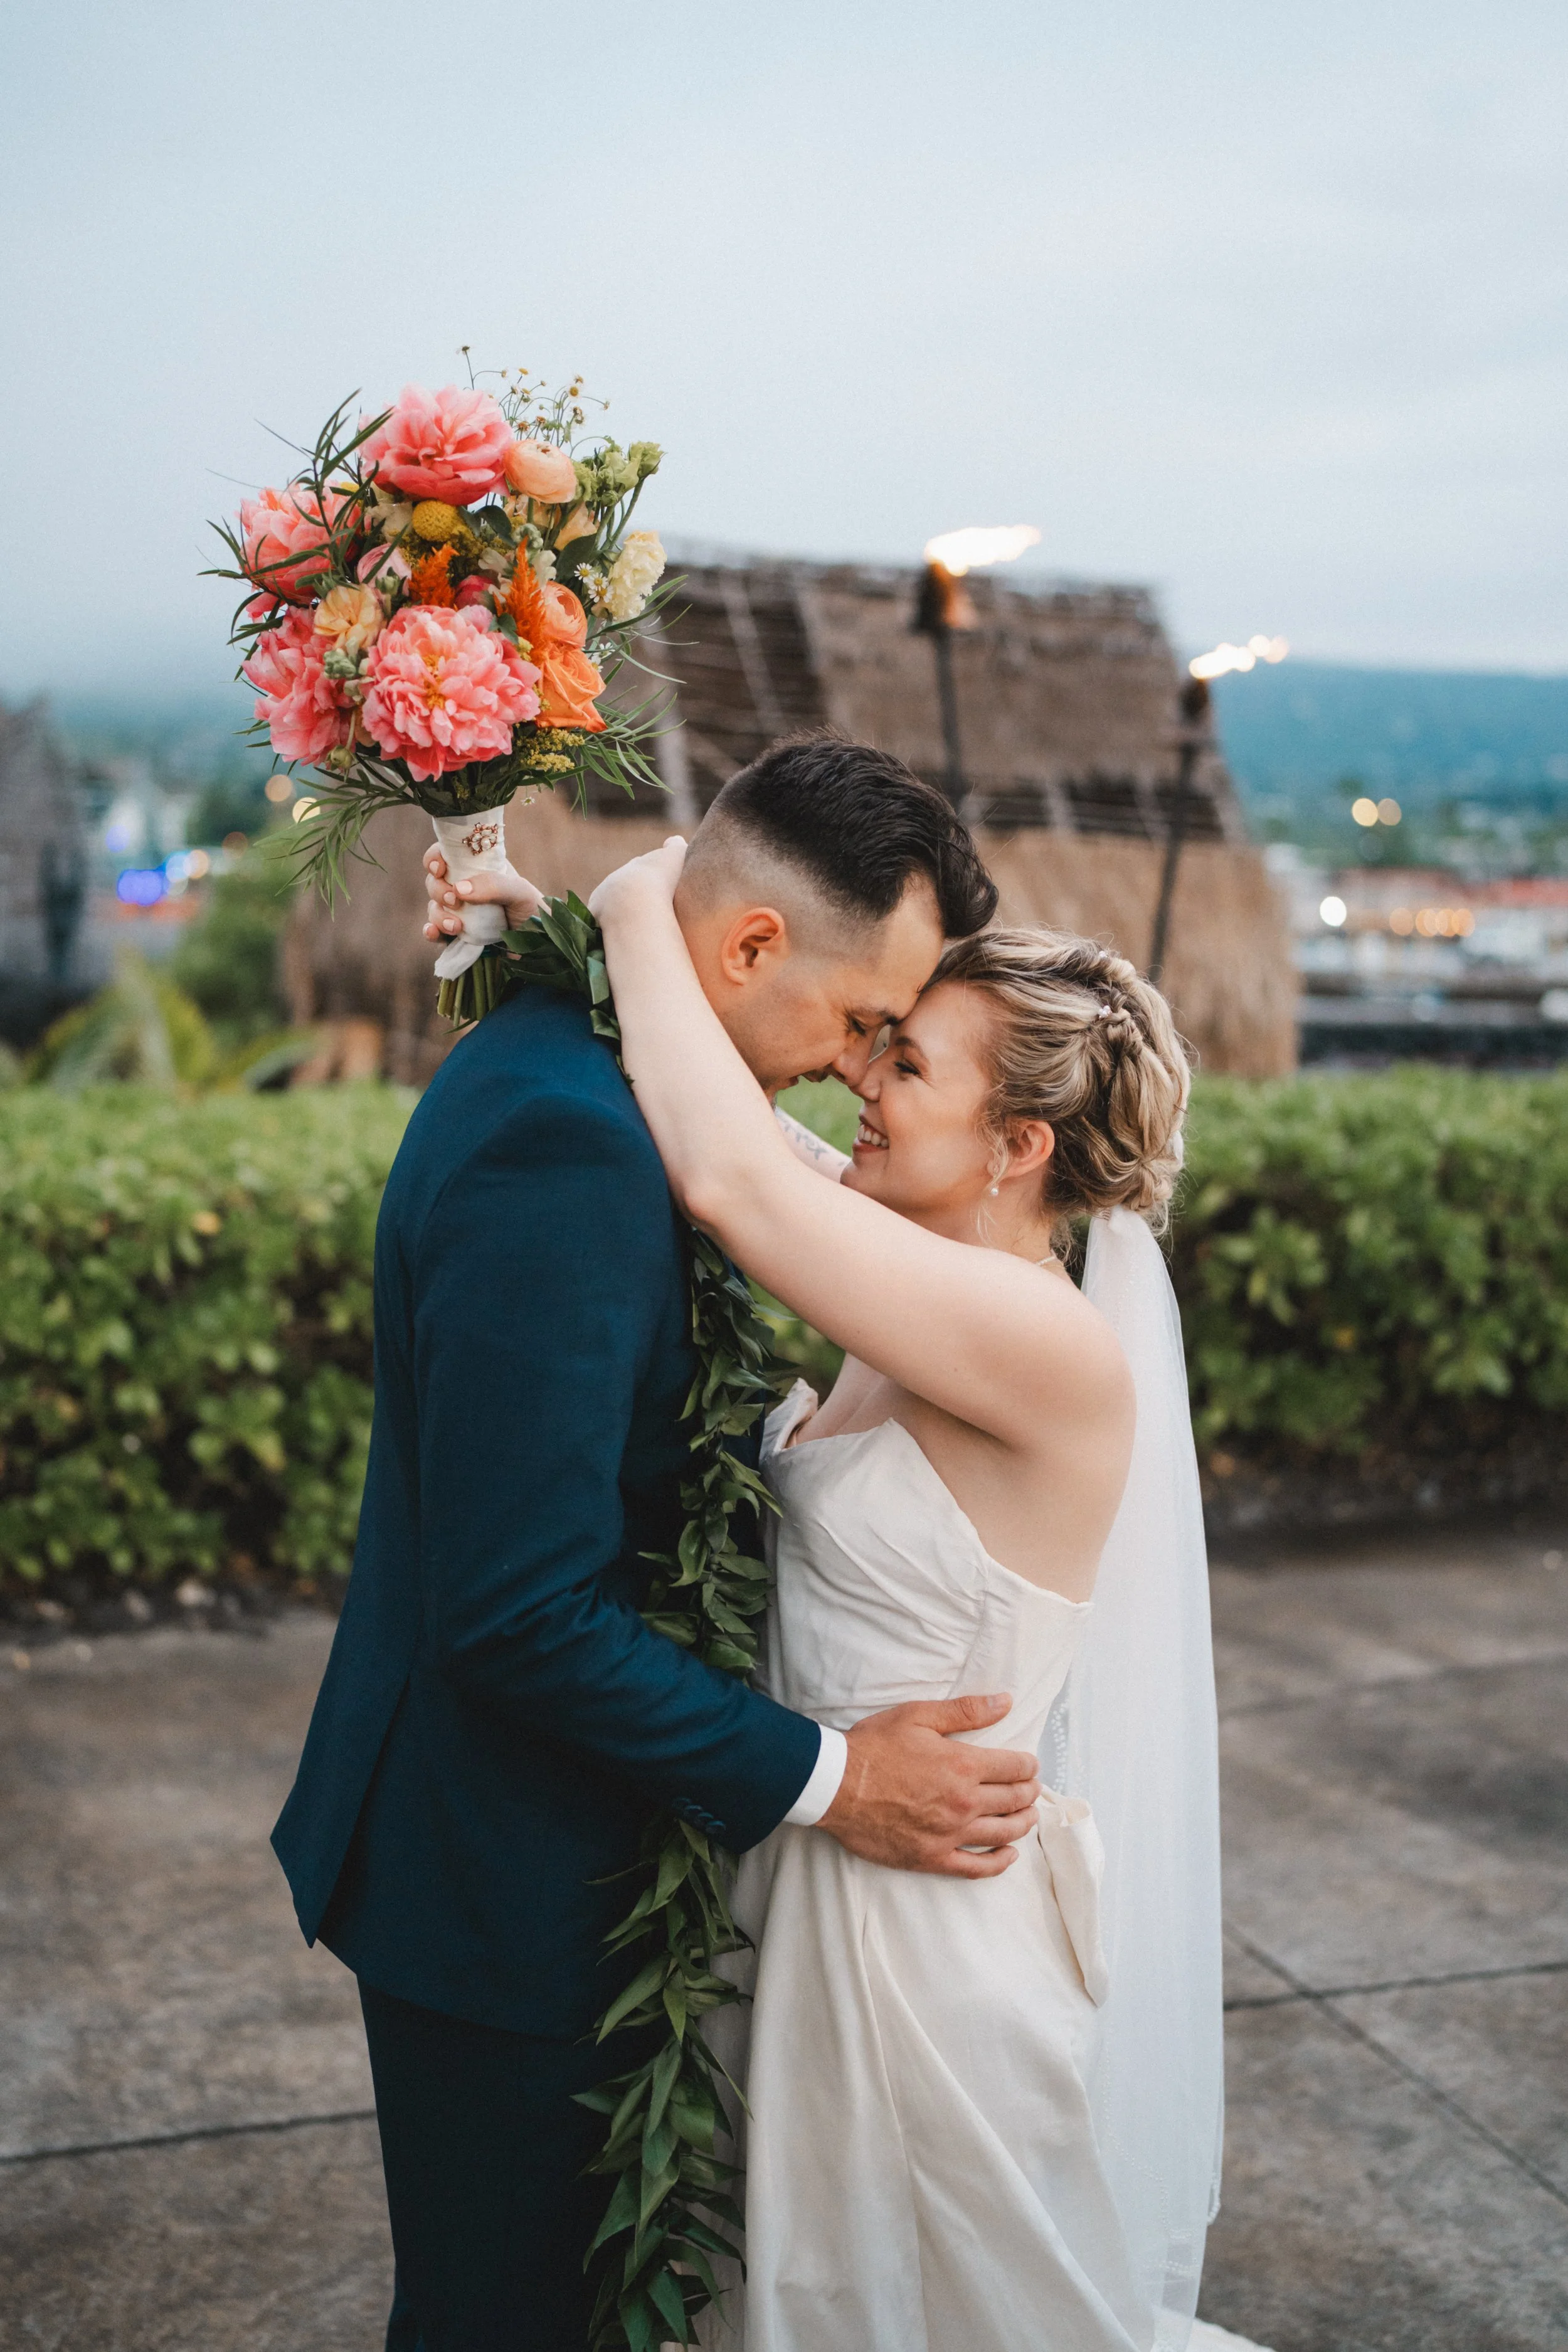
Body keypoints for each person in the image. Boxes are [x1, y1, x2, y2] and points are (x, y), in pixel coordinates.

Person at [271, 736, 1049, 2352]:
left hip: (555, 1854)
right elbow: (519, 1615)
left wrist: (581, 912)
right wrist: (841, 1778)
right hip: (504, 1880)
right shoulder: (565, 1146)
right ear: (750, 948)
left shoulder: (591, 1056)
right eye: (857, 1024)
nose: (855, 1069)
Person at [432, 829, 1252, 2351]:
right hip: (799, 1867)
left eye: (910, 1067)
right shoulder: (906, 1261)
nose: (861, 1081)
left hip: (916, 1938)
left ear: (1018, 1148)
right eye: (877, 1043)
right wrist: (553, 932)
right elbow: (731, 1113)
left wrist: (630, 897)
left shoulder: (1037, 1342)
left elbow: (732, 1174)